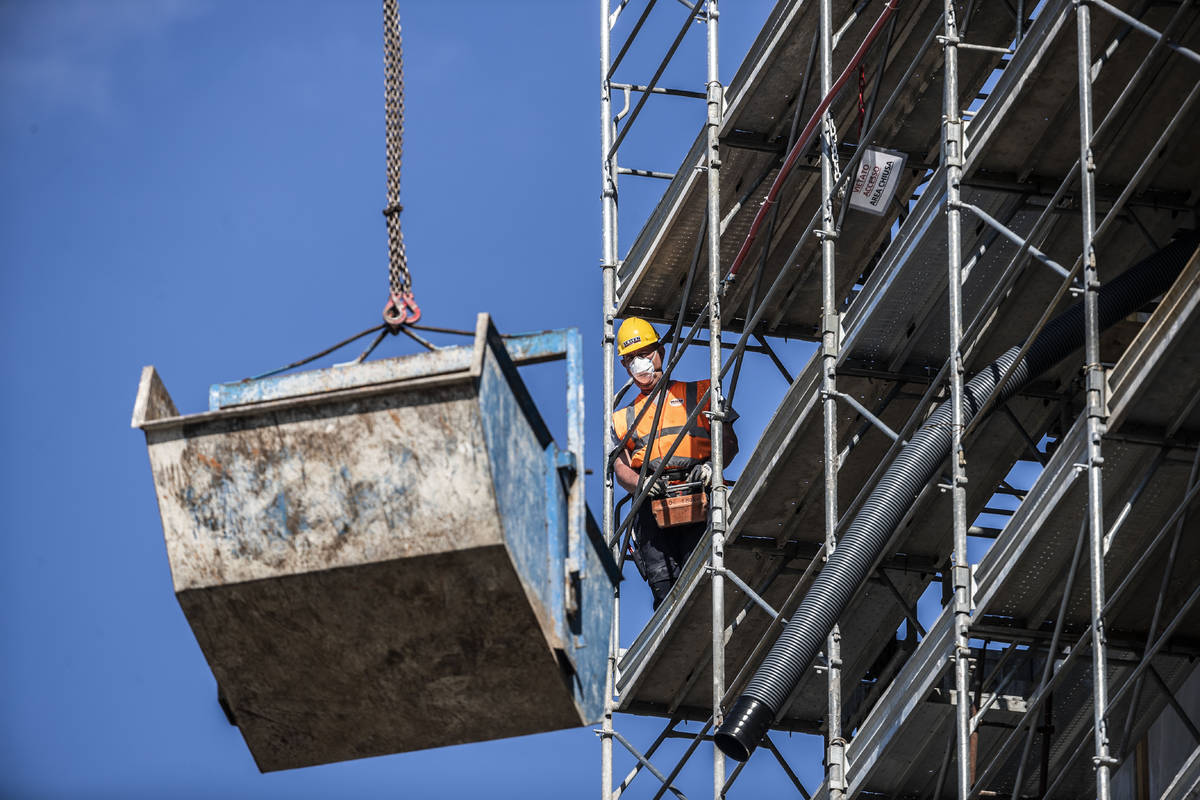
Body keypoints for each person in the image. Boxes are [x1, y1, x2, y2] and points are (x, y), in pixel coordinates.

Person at [611, 317, 738, 609]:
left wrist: (711, 468)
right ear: (624, 366)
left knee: (706, 577)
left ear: (661, 351)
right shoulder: (621, 419)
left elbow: (729, 440)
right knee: (664, 586)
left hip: (698, 493)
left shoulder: (701, 392)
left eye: (645, 354)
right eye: (631, 359)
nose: (639, 364)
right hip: (652, 507)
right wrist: (641, 484)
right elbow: (621, 469)